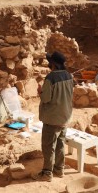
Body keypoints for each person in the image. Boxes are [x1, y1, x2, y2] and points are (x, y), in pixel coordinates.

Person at [32, 51, 74, 182]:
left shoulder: (50, 78)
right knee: (60, 143)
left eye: (50, 62)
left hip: (52, 117)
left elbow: (46, 98)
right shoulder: (68, 75)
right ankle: (59, 169)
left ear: (53, 64)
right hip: (65, 116)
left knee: (48, 145)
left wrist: (40, 91)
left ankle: (47, 173)